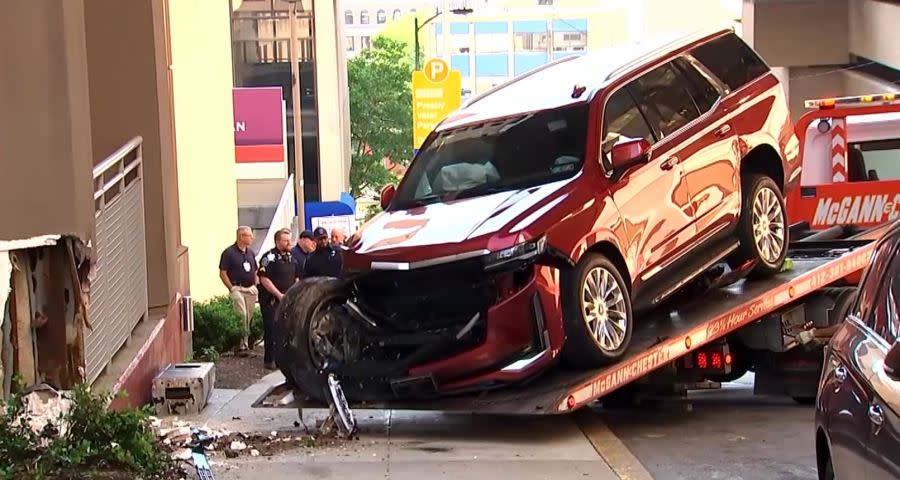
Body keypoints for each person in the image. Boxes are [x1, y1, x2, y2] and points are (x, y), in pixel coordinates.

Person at [257, 228, 300, 369]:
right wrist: (278, 294)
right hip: (271, 300)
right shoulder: (269, 257)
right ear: (277, 241)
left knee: (287, 329)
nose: (289, 242)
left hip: (287, 299)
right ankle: (270, 360)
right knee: (271, 328)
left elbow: (296, 277)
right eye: (285, 240)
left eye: (290, 239)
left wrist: (293, 293)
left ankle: (285, 359)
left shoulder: (292, 258)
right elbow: (263, 278)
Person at [219, 226, 258, 355]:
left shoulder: (250, 253)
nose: (252, 238)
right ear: (241, 236)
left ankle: (245, 343)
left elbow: (255, 270)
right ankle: (241, 346)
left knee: (249, 316)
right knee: (241, 314)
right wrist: (231, 287)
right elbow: (223, 272)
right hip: (237, 288)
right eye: (249, 236)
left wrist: (255, 284)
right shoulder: (229, 253)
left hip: (250, 289)